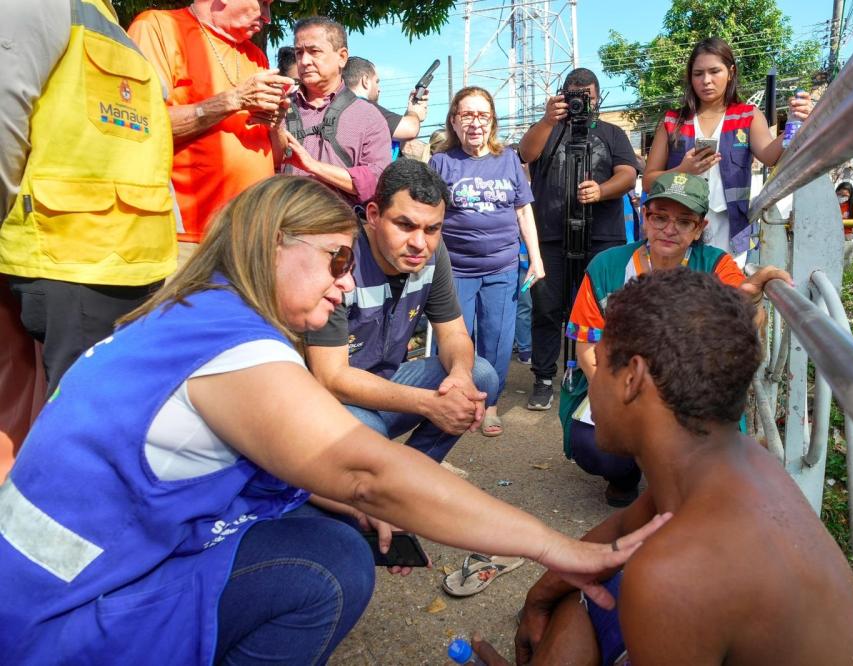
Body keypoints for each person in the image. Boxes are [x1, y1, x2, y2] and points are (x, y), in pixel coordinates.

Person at [0, 175, 668, 664]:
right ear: (272, 245)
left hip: (48, 586)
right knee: (330, 566)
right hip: (67, 616)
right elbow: (368, 472)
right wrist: (555, 547)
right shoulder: (233, 345)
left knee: (333, 520)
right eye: (336, 259)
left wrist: (342, 495)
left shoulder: (197, 315)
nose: (347, 282)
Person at [471, 269, 853, 666]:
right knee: (579, 598)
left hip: (674, 599)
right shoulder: (731, 462)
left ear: (632, 378)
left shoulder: (670, 578)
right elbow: (622, 529)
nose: (592, 380)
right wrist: (538, 599)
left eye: (599, 361)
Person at [559, 172, 789, 507]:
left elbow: (744, 324)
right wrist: (629, 403)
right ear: (645, 218)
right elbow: (587, 349)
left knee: (698, 446)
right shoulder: (607, 266)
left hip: (692, 391)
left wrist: (750, 302)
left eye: (684, 221)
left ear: (699, 228)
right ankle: (623, 475)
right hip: (623, 386)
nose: (670, 228)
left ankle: (685, 484)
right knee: (595, 445)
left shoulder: (715, 264)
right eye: (660, 217)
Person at [1, 0, 176, 396]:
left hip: (132, 260)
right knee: (88, 413)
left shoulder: (105, 19)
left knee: (114, 407)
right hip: (73, 257)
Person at [306, 159, 499, 462]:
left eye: (432, 229)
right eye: (405, 225)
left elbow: (454, 334)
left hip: (387, 386)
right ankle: (381, 475)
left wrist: (460, 377)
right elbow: (330, 377)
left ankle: (414, 470)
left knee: (480, 375)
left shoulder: (432, 255)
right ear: (373, 215)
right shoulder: (342, 256)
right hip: (329, 402)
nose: (419, 243)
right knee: (369, 433)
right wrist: (429, 404)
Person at [128, 0, 296, 259]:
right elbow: (139, 126)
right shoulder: (158, 27)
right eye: (263, 3)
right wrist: (233, 101)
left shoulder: (256, 56)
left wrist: (276, 124)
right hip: (187, 239)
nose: (268, 17)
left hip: (252, 236)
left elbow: (274, 156)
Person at [518, 68, 640, 411]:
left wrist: (601, 190)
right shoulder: (548, 129)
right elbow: (525, 154)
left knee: (604, 309)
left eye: (587, 96)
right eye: (573, 94)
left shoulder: (613, 133)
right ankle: (544, 378)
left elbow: (628, 174)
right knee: (546, 308)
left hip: (602, 237)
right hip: (551, 237)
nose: (580, 102)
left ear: (598, 98)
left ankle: (604, 376)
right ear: (562, 95)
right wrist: (547, 120)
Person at [429, 87, 544, 436]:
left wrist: (536, 259)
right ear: (453, 120)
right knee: (455, 338)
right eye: (467, 115)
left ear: (492, 120)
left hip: (502, 267)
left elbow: (523, 211)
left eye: (482, 115)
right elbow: (431, 214)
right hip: (455, 269)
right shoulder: (441, 162)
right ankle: (456, 399)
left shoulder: (508, 159)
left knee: (497, 337)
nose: (475, 123)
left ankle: (489, 403)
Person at [644, 37, 813, 260]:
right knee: (679, 282)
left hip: (732, 231)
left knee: (726, 282)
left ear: (731, 72)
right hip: (678, 230)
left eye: (715, 71)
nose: (706, 80)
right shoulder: (672, 121)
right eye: (698, 73)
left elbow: (769, 156)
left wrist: (796, 122)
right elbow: (648, 181)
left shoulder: (748, 116)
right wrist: (683, 170)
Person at [278, 17, 392, 208]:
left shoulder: (368, 117)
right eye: (299, 52)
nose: (304, 61)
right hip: (282, 222)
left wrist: (313, 166)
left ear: (342, 57)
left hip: (343, 224)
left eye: (314, 51)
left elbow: (377, 181)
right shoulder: (278, 109)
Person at [344, 56, 430, 143]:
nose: (379, 89)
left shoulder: (343, 107)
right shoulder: (364, 109)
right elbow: (410, 129)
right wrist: (414, 112)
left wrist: (410, 113)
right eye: (376, 82)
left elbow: (396, 135)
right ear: (365, 81)